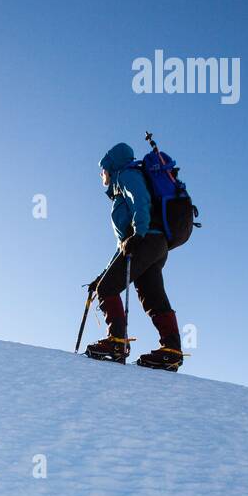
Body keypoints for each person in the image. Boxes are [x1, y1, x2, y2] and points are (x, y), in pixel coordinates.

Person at [86, 142, 183, 371]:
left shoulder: (126, 176)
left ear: (111, 166)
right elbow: (123, 248)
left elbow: (141, 201)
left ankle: (116, 343)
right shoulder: (122, 184)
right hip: (155, 244)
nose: (101, 175)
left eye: (102, 170)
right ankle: (171, 350)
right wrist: (102, 275)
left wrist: (139, 233)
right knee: (152, 295)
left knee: (108, 289)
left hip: (147, 240)